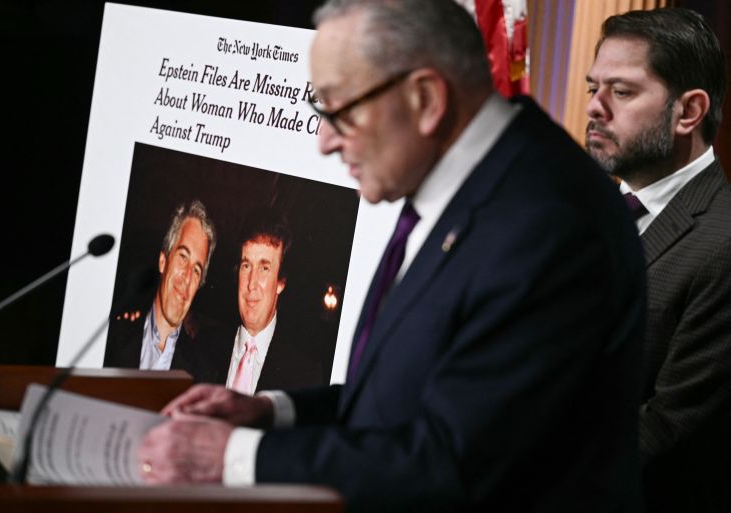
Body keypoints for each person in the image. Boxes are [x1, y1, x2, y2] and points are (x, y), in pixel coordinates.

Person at [138, 1, 647, 511]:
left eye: (340, 109)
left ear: (426, 98)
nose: (324, 140)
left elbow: (450, 467)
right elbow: (401, 400)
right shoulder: (467, 184)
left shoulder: (548, 223)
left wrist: (234, 458)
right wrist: (271, 411)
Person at [585, 8, 731, 512]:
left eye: (621, 92)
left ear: (688, 111)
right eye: (592, 89)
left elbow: (670, 425)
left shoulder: (723, 243)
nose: (595, 108)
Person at [104, 199, 220, 383]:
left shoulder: (203, 375)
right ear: (163, 261)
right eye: (183, 257)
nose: (187, 278)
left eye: (197, 270)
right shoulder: (111, 337)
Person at [218, 208, 324, 394]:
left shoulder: (305, 378)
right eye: (246, 266)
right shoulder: (200, 351)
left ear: (281, 282)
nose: (251, 283)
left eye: (264, 268)